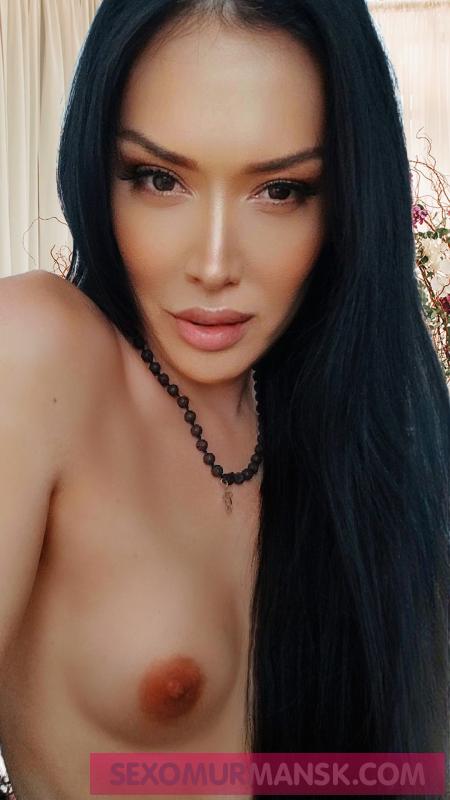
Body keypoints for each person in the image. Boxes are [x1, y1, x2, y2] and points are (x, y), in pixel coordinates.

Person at [0, 1, 448, 798]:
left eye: (280, 189)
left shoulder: (359, 425)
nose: (213, 264)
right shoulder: (36, 352)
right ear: (97, 170)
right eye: (160, 179)